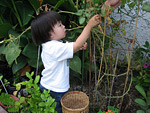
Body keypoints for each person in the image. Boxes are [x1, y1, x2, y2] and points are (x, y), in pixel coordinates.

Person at [31, 11, 100, 113]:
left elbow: (70, 47)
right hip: (54, 90)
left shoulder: (52, 45)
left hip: (52, 86)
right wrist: (89, 26)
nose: (63, 26)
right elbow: (75, 45)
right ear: (49, 33)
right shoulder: (54, 48)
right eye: (59, 25)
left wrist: (78, 47)